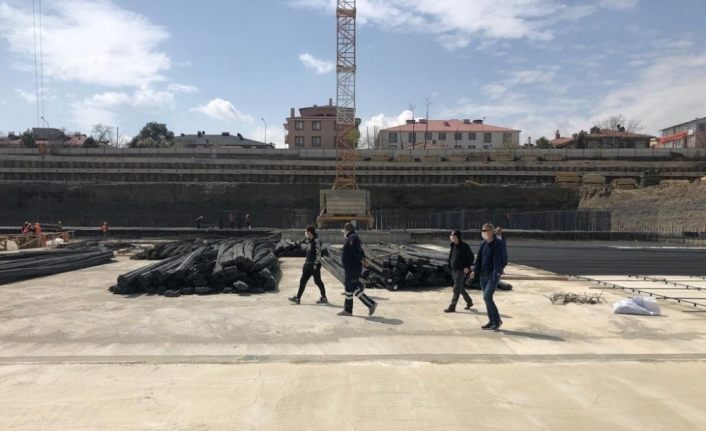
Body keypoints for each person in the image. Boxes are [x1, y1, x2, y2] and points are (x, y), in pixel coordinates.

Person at [470, 223, 505, 330]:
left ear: (491, 231)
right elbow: (479, 260)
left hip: (493, 276)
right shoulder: (483, 244)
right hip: (483, 275)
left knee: (487, 297)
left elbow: (504, 258)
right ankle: (491, 321)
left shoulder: (498, 243)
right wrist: (475, 271)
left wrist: (499, 270)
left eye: (485, 231)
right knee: (487, 299)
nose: (483, 233)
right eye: (482, 230)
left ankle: (497, 320)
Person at [340, 222, 377, 316]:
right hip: (350, 268)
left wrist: (362, 260)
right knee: (348, 288)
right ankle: (348, 310)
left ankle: (371, 304)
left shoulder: (352, 237)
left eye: (344, 230)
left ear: (346, 229)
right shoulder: (352, 237)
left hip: (353, 267)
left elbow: (357, 251)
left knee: (353, 287)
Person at [289, 226, 328, 304]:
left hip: (314, 265)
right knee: (302, 281)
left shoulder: (316, 240)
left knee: (317, 281)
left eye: (306, 232)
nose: (305, 234)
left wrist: (315, 264)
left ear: (309, 232)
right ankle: (298, 298)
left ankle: (324, 298)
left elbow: (318, 253)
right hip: (307, 265)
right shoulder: (309, 240)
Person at [444, 229, 474, 313]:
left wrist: (467, 266)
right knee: (460, 288)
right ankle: (469, 302)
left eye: (454, 236)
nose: (452, 238)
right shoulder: (452, 245)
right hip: (454, 269)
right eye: (451, 236)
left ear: (458, 237)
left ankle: (452, 306)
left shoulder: (464, 246)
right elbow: (451, 257)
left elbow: (471, 257)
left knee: (456, 288)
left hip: (461, 270)